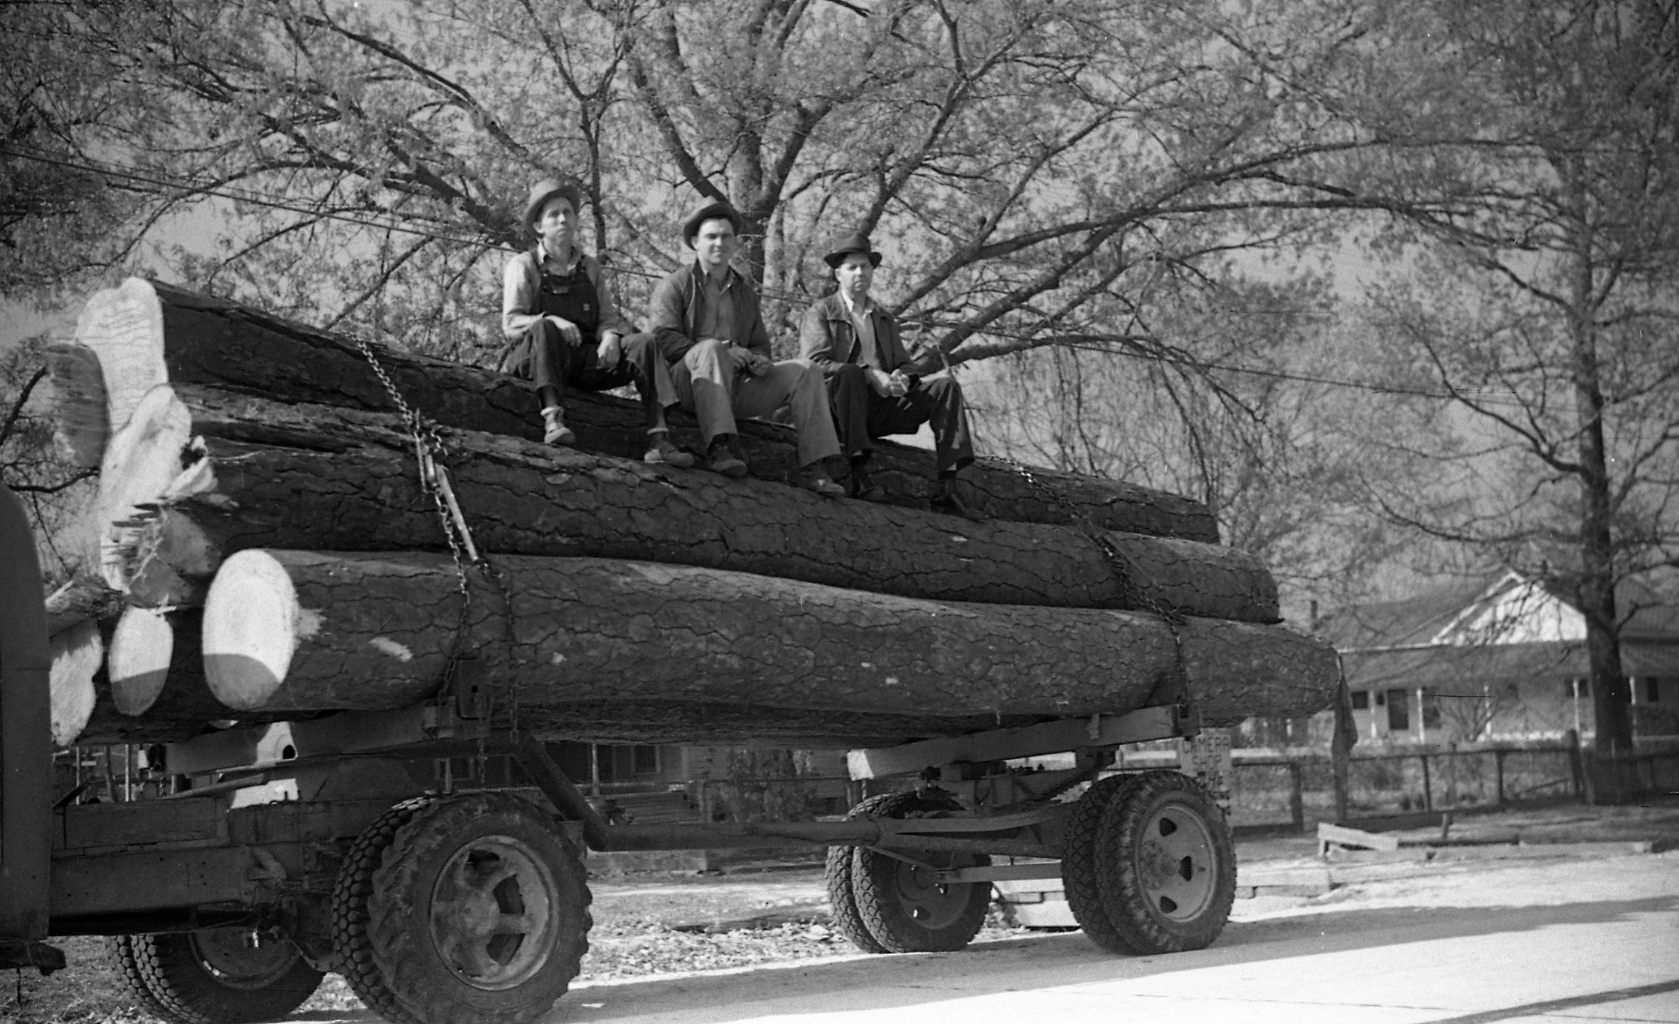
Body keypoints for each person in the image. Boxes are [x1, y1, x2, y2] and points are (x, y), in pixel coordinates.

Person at [648, 200, 846, 496]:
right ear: (695, 242)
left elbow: (759, 344)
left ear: (734, 243)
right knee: (711, 348)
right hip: (688, 385)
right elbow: (662, 339)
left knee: (807, 370)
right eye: (711, 236)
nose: (719, 243)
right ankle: (721, 447)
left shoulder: (745, 293)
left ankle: (817, 465)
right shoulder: (675, 285)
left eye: (726, 236)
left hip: (737, 387)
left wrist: (759, 360)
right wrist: (722, 349)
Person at [502, 178, 693, 467]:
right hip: (537, 359)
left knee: (645, 343)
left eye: (567, 213)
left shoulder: (590, 267)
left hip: (583, 360)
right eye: (554, 214)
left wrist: (610, 336)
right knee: (545, 328)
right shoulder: (523, 265)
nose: (562, 219)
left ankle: (660, 439)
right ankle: (553, 419)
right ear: (539, 226)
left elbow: (606, 318)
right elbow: (511, 323)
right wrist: (551, 320)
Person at [798, 232, 979, 518]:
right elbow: (813, 364)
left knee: (946, 387)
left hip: (880, 408)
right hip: (839, 408)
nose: (860, 273)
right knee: (850, 373)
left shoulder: (883, 317)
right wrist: (869, 373)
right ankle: (859, 473)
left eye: (865, 266)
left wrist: (902, 379)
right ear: (838, 274)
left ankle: (947, 485)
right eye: (852, 267)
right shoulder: (821, 312)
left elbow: (906, 364)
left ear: (872, 271)